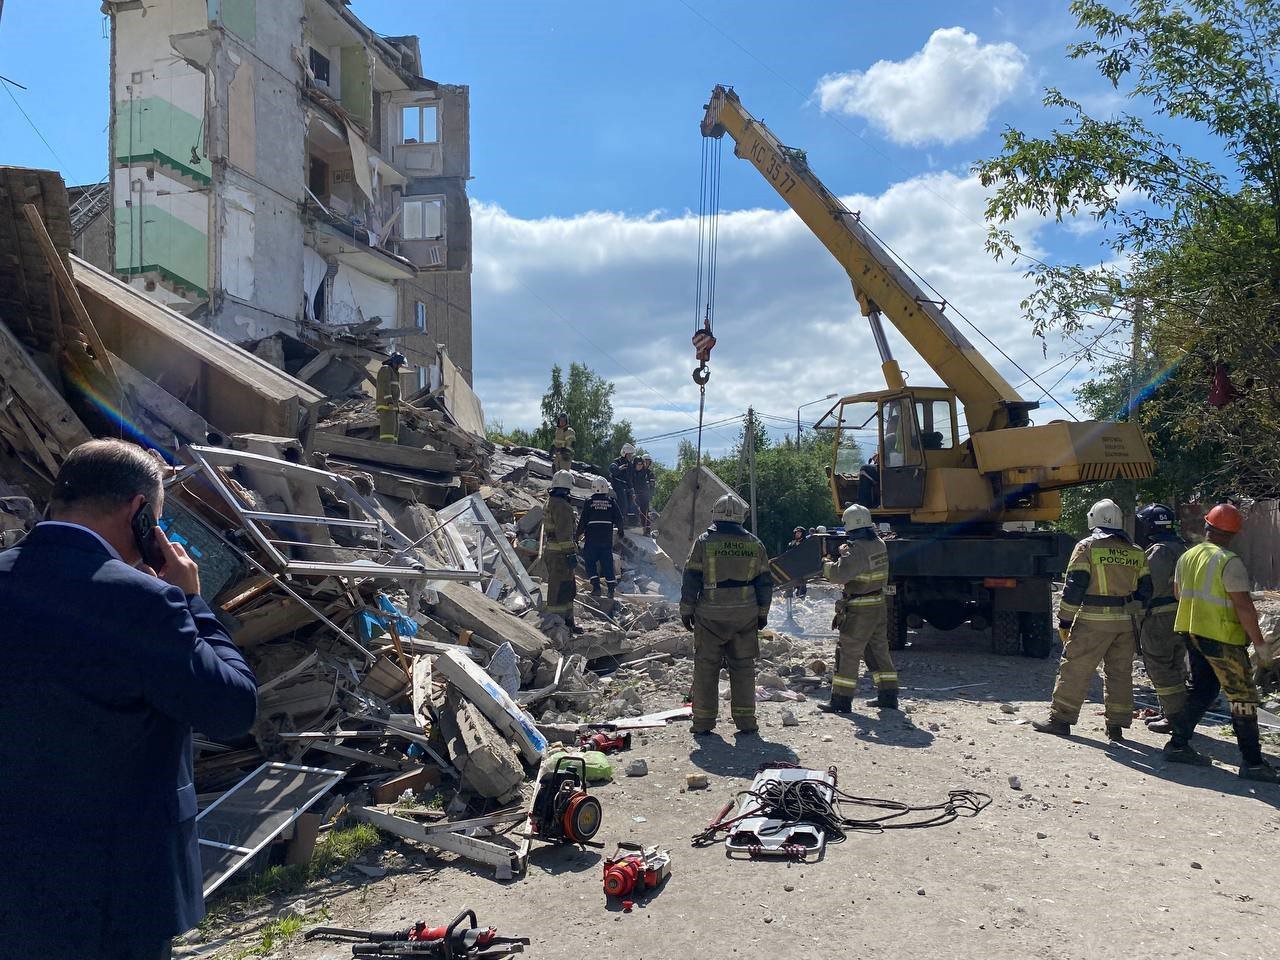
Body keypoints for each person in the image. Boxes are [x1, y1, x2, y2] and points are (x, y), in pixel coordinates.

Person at [0, 439, 258, 958]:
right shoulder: (146, 602)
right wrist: (192, 602)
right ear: (140, 510)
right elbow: (231, 708)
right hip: (117, 893)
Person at [1161, 503, 1278, 781]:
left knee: (1204, 689)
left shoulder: (1188, 556)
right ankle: (1253, 763)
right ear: (1234, 534)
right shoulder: (1229, 561)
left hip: (1191, 632)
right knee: (1243, 697)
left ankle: (1177, 744)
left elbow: (1179, 594)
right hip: (1222, 637)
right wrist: (1259, 644)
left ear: (1207, 527)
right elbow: (1244, 607)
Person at [1033, 498, 1151, 741]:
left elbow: (1075, 587)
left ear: (1093, 519)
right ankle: (1116, 726)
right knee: (1119, 673)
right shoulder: (1136, 552)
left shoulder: (1087, 547)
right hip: (1126, 624)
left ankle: (1060, 720)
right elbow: (1146, 591)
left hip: (1093, 622)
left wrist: (1064, 620)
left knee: (1075, 669)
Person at [680, 495, 773, 736]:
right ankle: (746, 722)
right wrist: (762, 613)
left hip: (710, 615)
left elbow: (691, 579)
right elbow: (764, 583)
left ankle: (703, 723)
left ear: (715, 515)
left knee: (706, 668)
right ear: (741, 516)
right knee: (743, 667)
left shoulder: (704, 543)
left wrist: (686, 610)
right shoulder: (755, 544)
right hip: (745, 615)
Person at [818, 504, 897, 713]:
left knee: (848, 653)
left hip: (860, 609)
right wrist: (846, 554)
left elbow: (839, 576)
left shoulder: (856, 549)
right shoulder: (879, 543)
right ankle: (888, 696)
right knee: (878, 650)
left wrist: (826, 563)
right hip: (878, 604)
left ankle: (841, 701)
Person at [1134, 503, 1190, 733]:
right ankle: (1174, 712)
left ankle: (1174, 718)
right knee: (1176, 665)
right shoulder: (1183, 548)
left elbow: (1150, 586)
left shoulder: (1159, 551)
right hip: (1182, 615)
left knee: (1160, 666)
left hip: (1160, 617)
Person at [542, 469, 582, 634]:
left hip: (553, 552)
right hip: (560, 555)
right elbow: (564, 533)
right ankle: (559, 625)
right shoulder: (562, 506)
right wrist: (570, 554)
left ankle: (566, 622)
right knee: (562, 590)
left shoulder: (550, 501)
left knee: (562, 588)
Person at [577, 476, 624, 599]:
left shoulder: (589, 502)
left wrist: (576, 536)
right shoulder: (611, 502)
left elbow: (582, 522)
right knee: (607, 564)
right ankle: (611, 591)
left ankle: (596, 588)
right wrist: (621, 531)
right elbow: (619, 518)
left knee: (590, 563)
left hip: (592, 541)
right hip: (605, 541)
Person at [376, 352, 407, 443]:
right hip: (386, 406)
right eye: (400, 364)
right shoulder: (385, 369)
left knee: (394, 431)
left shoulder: (394, 372)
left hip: (393, 407)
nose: (401, 366)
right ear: (395, 362)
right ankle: (386, 450)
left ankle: (393, 448)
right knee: (387, 431)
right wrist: (389, 401)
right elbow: (384, 386)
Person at [609, 442, 636, 525]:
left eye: (631, 455)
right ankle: (619, 521)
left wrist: (632, 489)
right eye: (629, 455)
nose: (631, 457)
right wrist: (619, 469)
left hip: (626, 486)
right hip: (618, 486)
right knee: (622, 502)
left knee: (631, 503)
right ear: (625, 454)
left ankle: (628, 520)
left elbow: (630, 479)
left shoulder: (630, 465)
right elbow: (612, 470)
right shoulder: (617, 462)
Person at [632, 454, 656, 536]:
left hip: (645, 496)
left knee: (645, 512)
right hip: (636, 494)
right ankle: (636, 527)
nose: (646, 463)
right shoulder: (635, 472)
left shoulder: (649, 473)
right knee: (636, 510)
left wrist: (650, 495)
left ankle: (647, 530)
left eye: (648, 462)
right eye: (645, 461)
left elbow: (652, 486)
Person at [789, 526, 809, 597]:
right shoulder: (792, 542)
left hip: (802, 566)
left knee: (802, 582)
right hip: (793, 565)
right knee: (794, 582)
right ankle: (794, 596)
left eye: (799, 533)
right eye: (796, 532)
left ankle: (801, 597)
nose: (797, 534)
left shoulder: (806, 542)